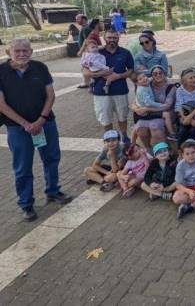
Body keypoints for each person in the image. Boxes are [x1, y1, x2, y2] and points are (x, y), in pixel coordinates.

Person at [0, 39, 73, 220]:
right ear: (9, 52)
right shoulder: (1, 71)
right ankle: (26, 204)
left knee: (51, 159)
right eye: (17, 51)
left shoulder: (40, 67)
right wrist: (26, 124)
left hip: (45, 124)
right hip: (18, 128)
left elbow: (50, 95)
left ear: (31, 52)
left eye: (25, 50)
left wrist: (41, 119)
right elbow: (1, 104)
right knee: (22, 167)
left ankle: (53, 191)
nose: (22, 54)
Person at [82, 30, 134, 145]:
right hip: (101, 92)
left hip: (120, 91)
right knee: (105, 118)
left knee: (122, 116)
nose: (112, 40)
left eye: (114, 38)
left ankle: (124, 136)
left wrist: (118, 76)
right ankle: (110, 139)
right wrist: (102, 74)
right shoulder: (96, 51)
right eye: (109, 37)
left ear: (118, 38)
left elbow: (131, 70)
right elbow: (85, 72)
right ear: (104, 38)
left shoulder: (125, 53)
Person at [132, 65, 177, 148]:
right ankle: (148, 150)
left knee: (155, 126)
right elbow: (137, 101)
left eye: (160, 73)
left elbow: (167, 106)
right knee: (141, 129)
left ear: (164, 73)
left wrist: (146, 109)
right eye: (155, 74)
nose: (158, 75)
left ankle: (162, 150)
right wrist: (135, 108)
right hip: (150, 113)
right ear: (152, 76)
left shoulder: (170, 87)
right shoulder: (147, 83)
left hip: (164, 112)